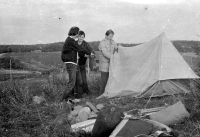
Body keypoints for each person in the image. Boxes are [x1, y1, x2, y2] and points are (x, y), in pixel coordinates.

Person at [61, 26, 94, 101]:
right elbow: (80, 49)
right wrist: (90, 53)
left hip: (75, 63)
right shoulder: (70, 40)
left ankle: (78, 98)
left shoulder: (71, 40)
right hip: (71, 63)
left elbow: (80, 50)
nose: (78, 35)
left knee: (79, 81)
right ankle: (64, 99)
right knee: (72, 83)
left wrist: (89, 53)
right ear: (75, 33)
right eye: (78, 33)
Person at [99, 29, 118, 95]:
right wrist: (113, 57)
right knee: (104, 79)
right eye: (110, 36)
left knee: (110, 79)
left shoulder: (113, 42)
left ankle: (107, 93)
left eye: (112, 36)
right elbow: (105, 53)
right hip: (104, 63)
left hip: (111, 63)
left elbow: (116, 48)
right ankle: (101, 94)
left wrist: (117, 48)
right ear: (106, 35)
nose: (111, 37)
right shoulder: (102, 42)